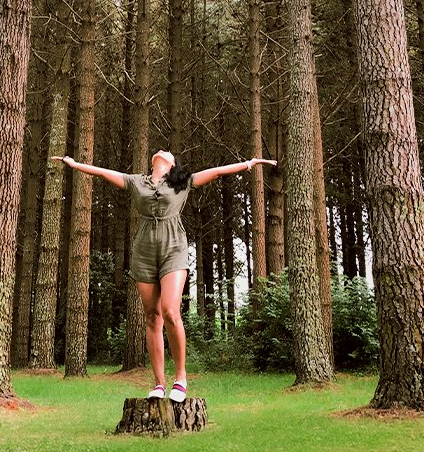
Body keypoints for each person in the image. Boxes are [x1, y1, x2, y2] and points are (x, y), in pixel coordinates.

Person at [54, 149, 277, 402]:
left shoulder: (182, 182)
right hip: (144, 253)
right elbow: (104, 173)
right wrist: (74, 164)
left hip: (174, 250)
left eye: (167, 152)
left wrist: (248, 163)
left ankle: (180, 377)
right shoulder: (136, 181)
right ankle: (159, 383)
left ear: (171, 165)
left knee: (170, 311)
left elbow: (216, 171)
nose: (162, 150)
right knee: (152, 317)